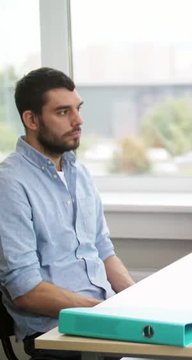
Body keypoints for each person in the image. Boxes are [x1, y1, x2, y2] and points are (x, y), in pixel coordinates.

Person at [0, 67, 135, 359]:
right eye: (63, 112)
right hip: (58, 335)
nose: (78, 120)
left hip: (100, 322)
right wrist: (104, 313)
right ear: (31, 119)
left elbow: (102, 250)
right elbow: (26, 291)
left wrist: (137, 302)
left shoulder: (80, 172)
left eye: (78, 108)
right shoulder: (9, 183)